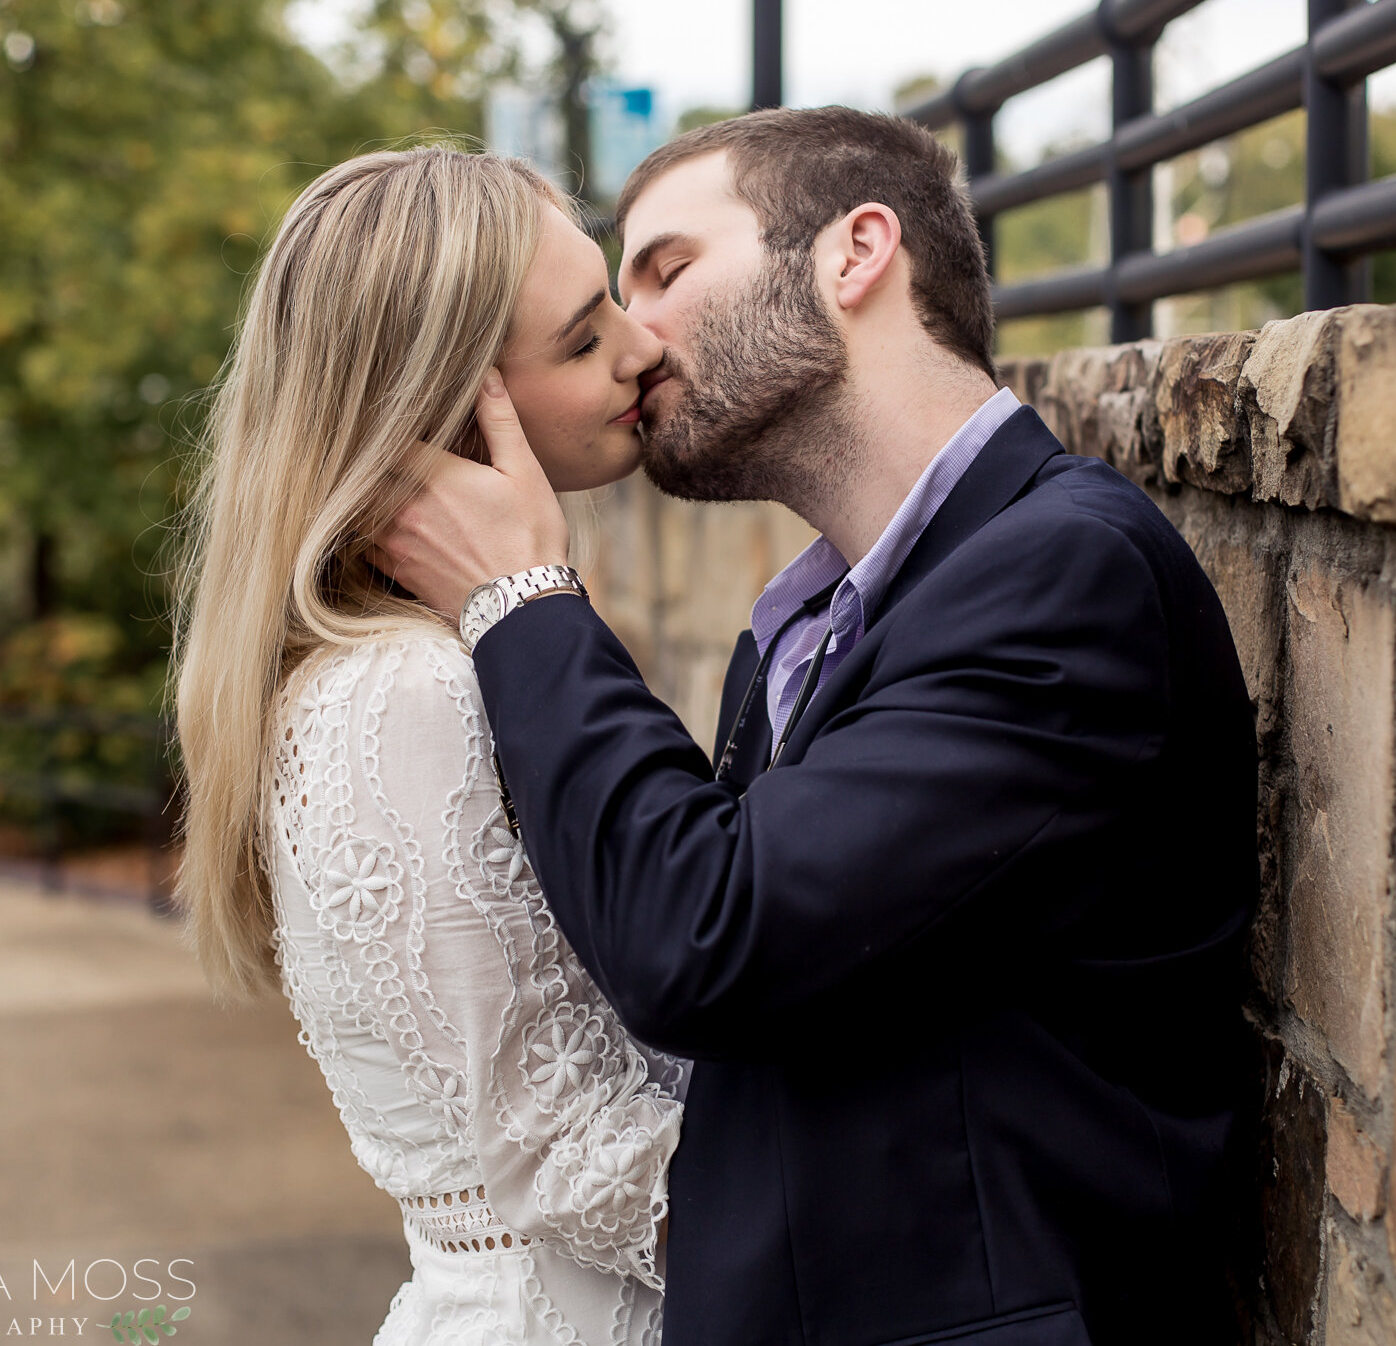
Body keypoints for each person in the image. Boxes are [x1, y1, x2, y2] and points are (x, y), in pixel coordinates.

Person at [375, 107, 1262, 1346]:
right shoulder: (812, 621)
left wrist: (518, 599)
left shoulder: (1061, 579)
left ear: (854, 253)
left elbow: (701, 934)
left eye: (666, 270)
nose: (631, 340)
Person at [171, 146, 688, 1346]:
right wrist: (901, 1212)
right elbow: (560, 1155)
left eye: (612, 299)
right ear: (452, 413)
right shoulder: (399, 693)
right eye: (579, 338)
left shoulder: (438, 659)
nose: (641, 346)